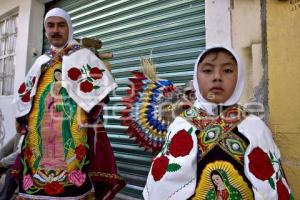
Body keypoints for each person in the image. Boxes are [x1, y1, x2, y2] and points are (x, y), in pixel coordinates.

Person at [142, 45, 293, 199]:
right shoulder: (181, 125)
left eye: (227, 70)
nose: (217, 77)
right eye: (207, 70)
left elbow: (273, 186)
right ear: (196, 77)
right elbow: (162, 186)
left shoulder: (255, 127)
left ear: (239, 76)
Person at [13, 8, 124, 199]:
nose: (55, 30)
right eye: (51, 25)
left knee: (73, 185)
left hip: (73, 137)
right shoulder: (41, 61)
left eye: (61, 25)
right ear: (45, 30)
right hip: (39, 142)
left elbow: (102, 94)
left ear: (69, 28)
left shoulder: (84, 57)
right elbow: (25, 98)